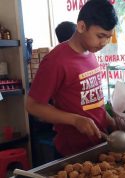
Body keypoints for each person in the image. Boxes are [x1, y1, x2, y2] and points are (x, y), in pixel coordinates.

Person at [26, 0, 118, 157]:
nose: (104, 43)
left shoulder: (91, 53)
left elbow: (91, 101)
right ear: (81, 27)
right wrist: (75, 120)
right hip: (72, 153)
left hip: (99, 145)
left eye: (108, 37)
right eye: (100, 36)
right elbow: (32, 105)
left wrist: (110, 121)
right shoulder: (56, 61)